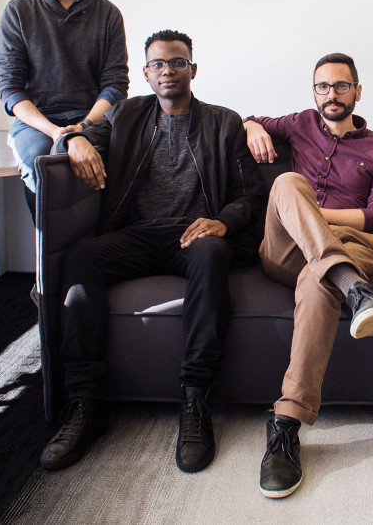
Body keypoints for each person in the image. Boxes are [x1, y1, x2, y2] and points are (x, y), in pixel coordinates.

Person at [39, 30, 265, 473]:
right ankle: (86, 404)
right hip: (138, 235)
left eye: (177, 62)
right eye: (158, 64)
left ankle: (196, 400)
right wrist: (73, 139)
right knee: (80, 258)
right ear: (145, 72)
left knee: (211, 253)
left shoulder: (223, 122)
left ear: (193, 70)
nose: (167, 71)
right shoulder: (123, 115)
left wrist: (223, 222)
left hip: (194, 238)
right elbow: (81, 134)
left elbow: (251, 195)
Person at [243, 53, 373, 498]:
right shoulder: (298, 124)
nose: (331, 94)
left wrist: (320, 221)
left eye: (340, 86)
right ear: (313, 92)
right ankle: (356, 291)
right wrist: (252, 127)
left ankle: (285, 427)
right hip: (287, 250)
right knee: (288, 183)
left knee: (320, 278)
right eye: (322, 87)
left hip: (351, 248)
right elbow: (249, 118)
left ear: (357, 90)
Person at [0, 0, 128, 221]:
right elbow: (10, 89)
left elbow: (115, 85)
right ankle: (51, 264)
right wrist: (59, 134)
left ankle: (96, 256)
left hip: (93, 119)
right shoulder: (18, 12)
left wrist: (82, 128)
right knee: (43, 163)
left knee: (120, 167)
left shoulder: (108, 15)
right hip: (37, 123)